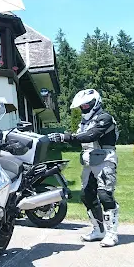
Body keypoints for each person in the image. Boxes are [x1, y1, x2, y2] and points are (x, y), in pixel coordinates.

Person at [48, 89, 120, 247]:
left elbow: (92, 135)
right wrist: (62, 139)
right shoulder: (84, 122)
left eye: (87, 104)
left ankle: (112, 234)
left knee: (105, 196)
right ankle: (98, 230)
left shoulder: (105, 118)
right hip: (89, 161)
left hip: (105, 159)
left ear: (96, 103)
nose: (84, 107)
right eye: (82, 106)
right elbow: (80, 139)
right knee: (87, 196)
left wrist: (66, 137)